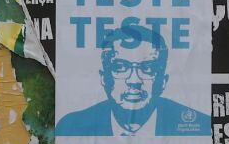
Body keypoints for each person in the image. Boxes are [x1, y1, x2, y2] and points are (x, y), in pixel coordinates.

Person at [56, 24, 211, 137]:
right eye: (120, 68)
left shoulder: (198, 127)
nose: (134, 80)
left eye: (148, 68)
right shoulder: (72, 127)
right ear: (104, 78)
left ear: (163, 81)